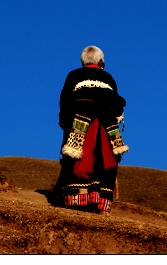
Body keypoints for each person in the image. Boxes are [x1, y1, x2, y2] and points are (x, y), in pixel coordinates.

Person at [53, 45, 128, 216]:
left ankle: (77, 200)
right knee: (105, 159)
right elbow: (117, 105)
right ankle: (102, 205)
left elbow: (64, 100)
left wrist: (65, 122)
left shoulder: (73, 76)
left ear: (83, 62)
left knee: (77, 157)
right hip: (105, 124)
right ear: (101, 62)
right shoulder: (108, 78)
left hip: (79, 123)